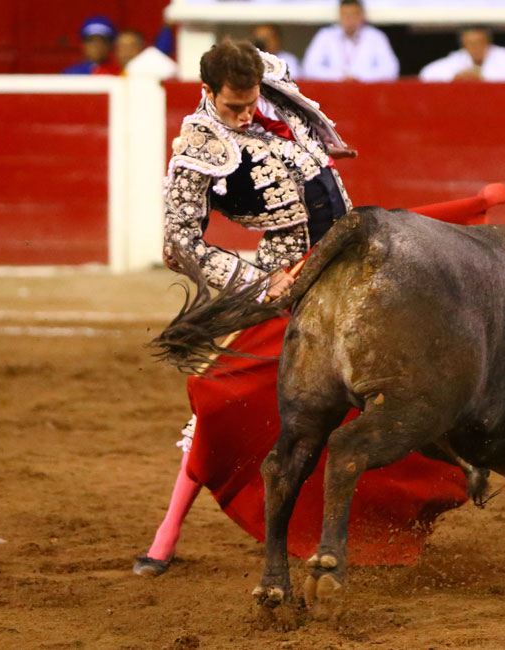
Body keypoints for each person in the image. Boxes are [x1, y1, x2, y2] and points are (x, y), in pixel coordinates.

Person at [133, 39, 356, 576]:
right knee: (219, 401)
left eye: (250, 100)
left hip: (349, 251)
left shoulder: (267, 81)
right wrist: (260, 286)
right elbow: (180, 245)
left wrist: (323, 149)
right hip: (286, 279)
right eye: (233, 106)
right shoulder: (199, 144)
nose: (246, 113)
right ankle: (167, 533)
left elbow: (302, 111)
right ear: (207, 92)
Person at [302, 0, 399, 82]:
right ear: (339, 15)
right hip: (334, 92)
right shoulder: (325, 35)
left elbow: (391, 69)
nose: (349, 19)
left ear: (361, 15)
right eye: (345, 14)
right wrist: (340, 77)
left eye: (353, 14)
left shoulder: (375, 37)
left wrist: (359, 77)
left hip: (366, 92)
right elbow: (309, 67)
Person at [419, 26, 505, 83]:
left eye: (479, 42)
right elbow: (426, 74)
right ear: (464, 45)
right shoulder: (458, 58)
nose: (475, 47)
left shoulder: (501, 55)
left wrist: (482, 77)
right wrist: (455, 77)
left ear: (487, 42)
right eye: (470, 43)